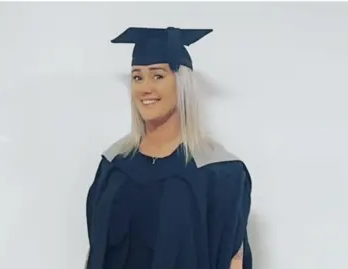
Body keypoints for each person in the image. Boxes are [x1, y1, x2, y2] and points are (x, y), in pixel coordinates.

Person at [85, 26, 253, 269]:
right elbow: (97, 251)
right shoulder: (114, 165)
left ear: (182, 84)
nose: (145, 88)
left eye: (158, 75)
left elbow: (233, 259)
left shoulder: (219, 172)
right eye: (137, 77)